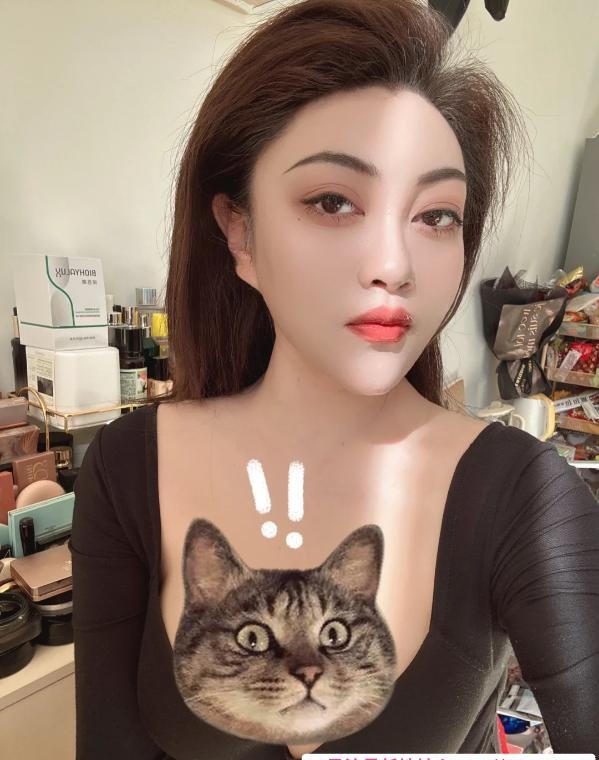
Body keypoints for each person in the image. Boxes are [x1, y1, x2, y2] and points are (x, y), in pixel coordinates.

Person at [69, 1, 599, 758]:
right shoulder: (129, 465)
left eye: (436, 216)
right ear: (239, 233)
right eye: (332, 202)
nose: (394, 265)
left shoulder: (522, 495)